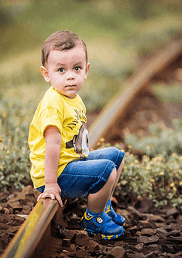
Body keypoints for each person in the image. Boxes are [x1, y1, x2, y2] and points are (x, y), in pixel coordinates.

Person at [28, 30, 125, 240]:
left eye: (77, 68)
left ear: (86, 70)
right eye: (61, 70)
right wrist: (51, 184)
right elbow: (52, 145)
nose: (70, 75)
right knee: (106, 170)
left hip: (71, 162)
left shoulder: (73, 97)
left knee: (117, 157)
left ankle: (103, 206)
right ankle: (94, 219)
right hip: (56, 174)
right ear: (46, 74)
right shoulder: (53, 104)